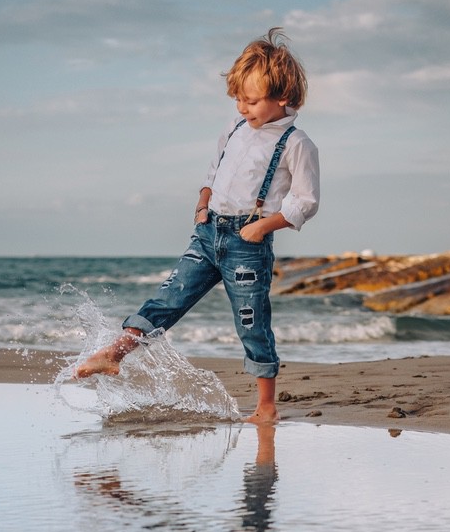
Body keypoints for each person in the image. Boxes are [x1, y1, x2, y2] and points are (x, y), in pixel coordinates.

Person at [75, 28, 319, 423]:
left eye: (252, 100)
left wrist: (262, 227)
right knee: (169, 297)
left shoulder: (296, 143)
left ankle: (266, 404)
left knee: (252, 321)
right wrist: (203, 202)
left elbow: (305, 201)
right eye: (238, 98)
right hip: (208, 234)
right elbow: (215, 171)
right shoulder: (236, 129)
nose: (242, 107)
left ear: (284, 97)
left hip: (248, 242)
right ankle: (113, 354)